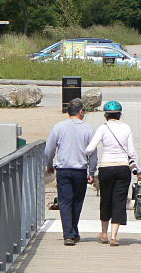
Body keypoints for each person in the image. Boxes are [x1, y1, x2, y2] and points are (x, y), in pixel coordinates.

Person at [86, 100, 141, 247]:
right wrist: (138, 171)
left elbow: (90, 149)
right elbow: (131, 152)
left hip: (106, 168)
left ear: (106, 115)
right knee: (119, 201)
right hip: (123, 168)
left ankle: (103, 234)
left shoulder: (103, 128)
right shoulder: (126, 128)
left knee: (105, 200)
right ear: (119, 115)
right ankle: (113, 236)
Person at [44, 98, 97, 246]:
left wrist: (49, 164)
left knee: (65, 202)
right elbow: (93, 153)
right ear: (81, 112)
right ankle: (73, 231)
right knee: (77, 202)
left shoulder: (59, 127)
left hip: (63, 170)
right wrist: (92, 172)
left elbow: (49, 150)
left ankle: (69, 234)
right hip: (80, 170)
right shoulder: (88, 128)